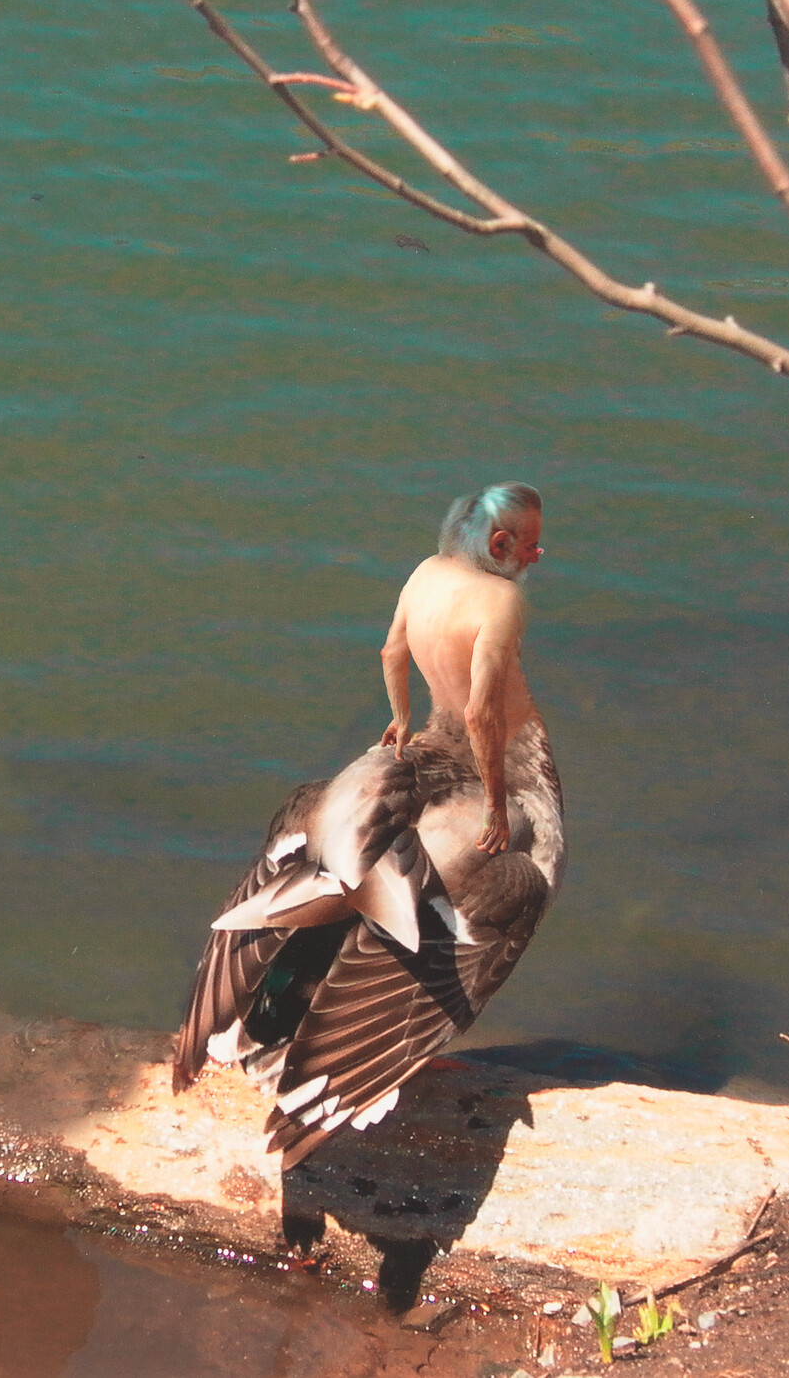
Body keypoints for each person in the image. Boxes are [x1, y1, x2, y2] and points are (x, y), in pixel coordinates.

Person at [172, 484, 565, 1167]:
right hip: (407, 912)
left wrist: (401, 725)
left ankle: (238, 1017)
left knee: (321, 813)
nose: (540, 548)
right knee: (515, 878)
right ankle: (337, 1071)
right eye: (529, 539)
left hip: (375, 807)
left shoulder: (427, 583)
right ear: (498, 548)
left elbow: (394, 655)